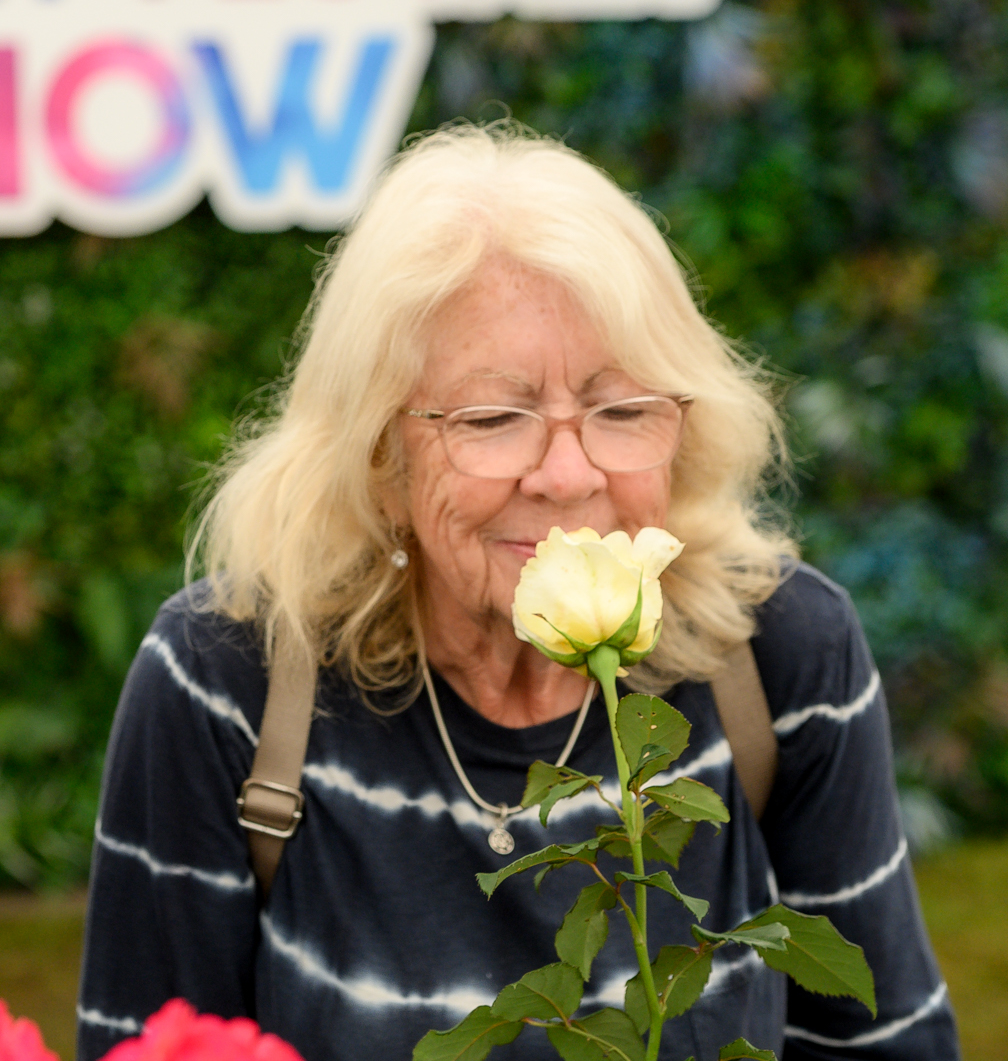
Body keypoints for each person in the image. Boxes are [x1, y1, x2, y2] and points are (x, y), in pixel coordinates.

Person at [76, 126, 957, 1060]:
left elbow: (884, 1042)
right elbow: (151, 1046)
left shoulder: (780, 653)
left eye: (623, 411)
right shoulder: (228, 679)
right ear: (380, 459)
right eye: (494, 418)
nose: (569, 475)